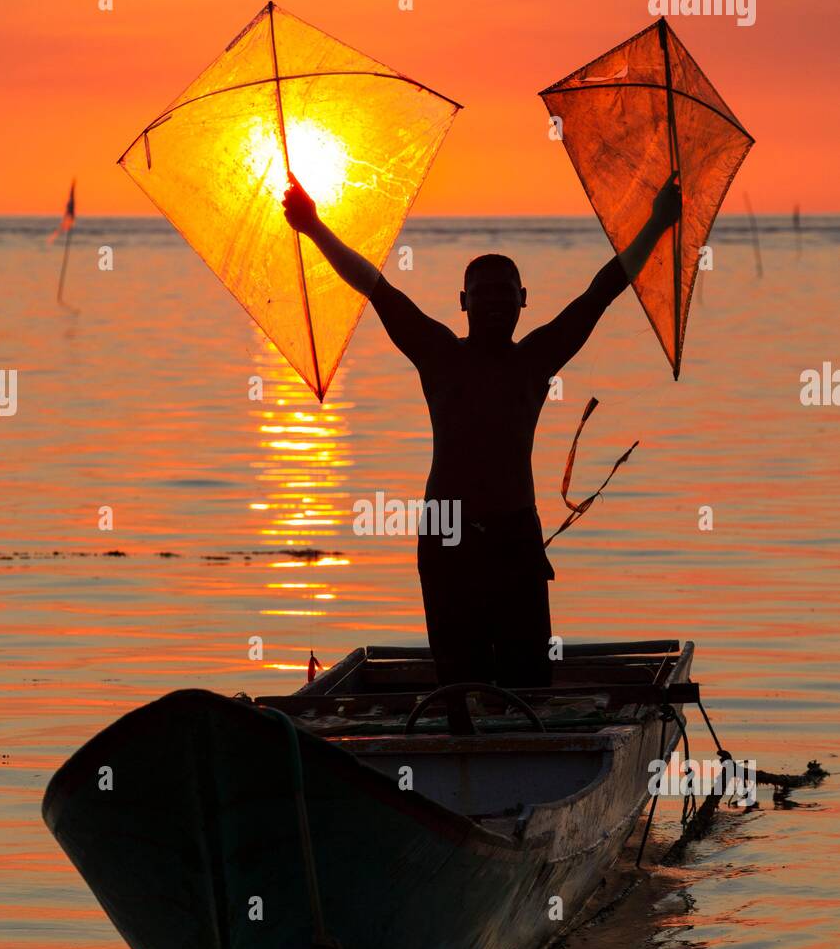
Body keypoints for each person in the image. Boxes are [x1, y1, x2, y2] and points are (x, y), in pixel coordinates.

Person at [282, 172, 681, 691]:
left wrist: (655, 224)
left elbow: (602, 291)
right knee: (459, 682)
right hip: (447, 532)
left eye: (504, 292)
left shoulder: (535, 359)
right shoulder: (439, 354)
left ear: (523, 300)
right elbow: (375, 286)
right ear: (463, 302)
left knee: (528, 680)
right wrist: (314, 227)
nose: (494, 301)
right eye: (482, 293)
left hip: (516, 533)